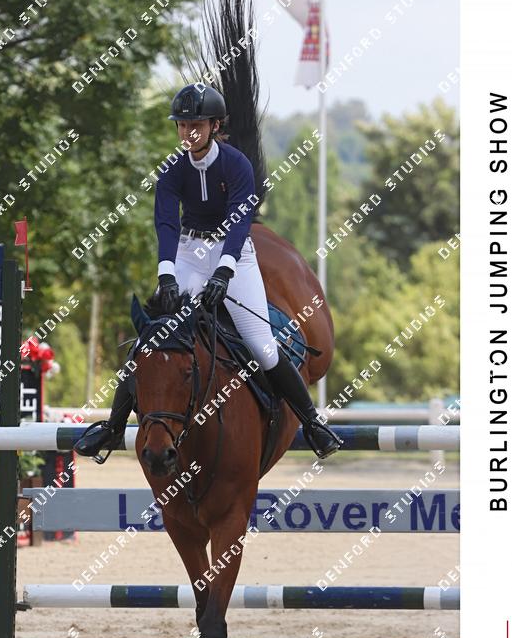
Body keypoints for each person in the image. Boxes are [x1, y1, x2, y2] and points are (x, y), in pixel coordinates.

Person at [77, 83, 342, 461]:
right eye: (183, 125)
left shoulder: (236, 164)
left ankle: (313, 423)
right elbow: (167, 222)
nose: (188, 132)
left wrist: (224, 272)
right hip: (188, 254)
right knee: (147, 342)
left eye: (196, 125)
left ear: (215, 126)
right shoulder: (173, 169)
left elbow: (239, 221)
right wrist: (167, 273)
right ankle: (112, 427)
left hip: (236, 255)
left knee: (262, 345)